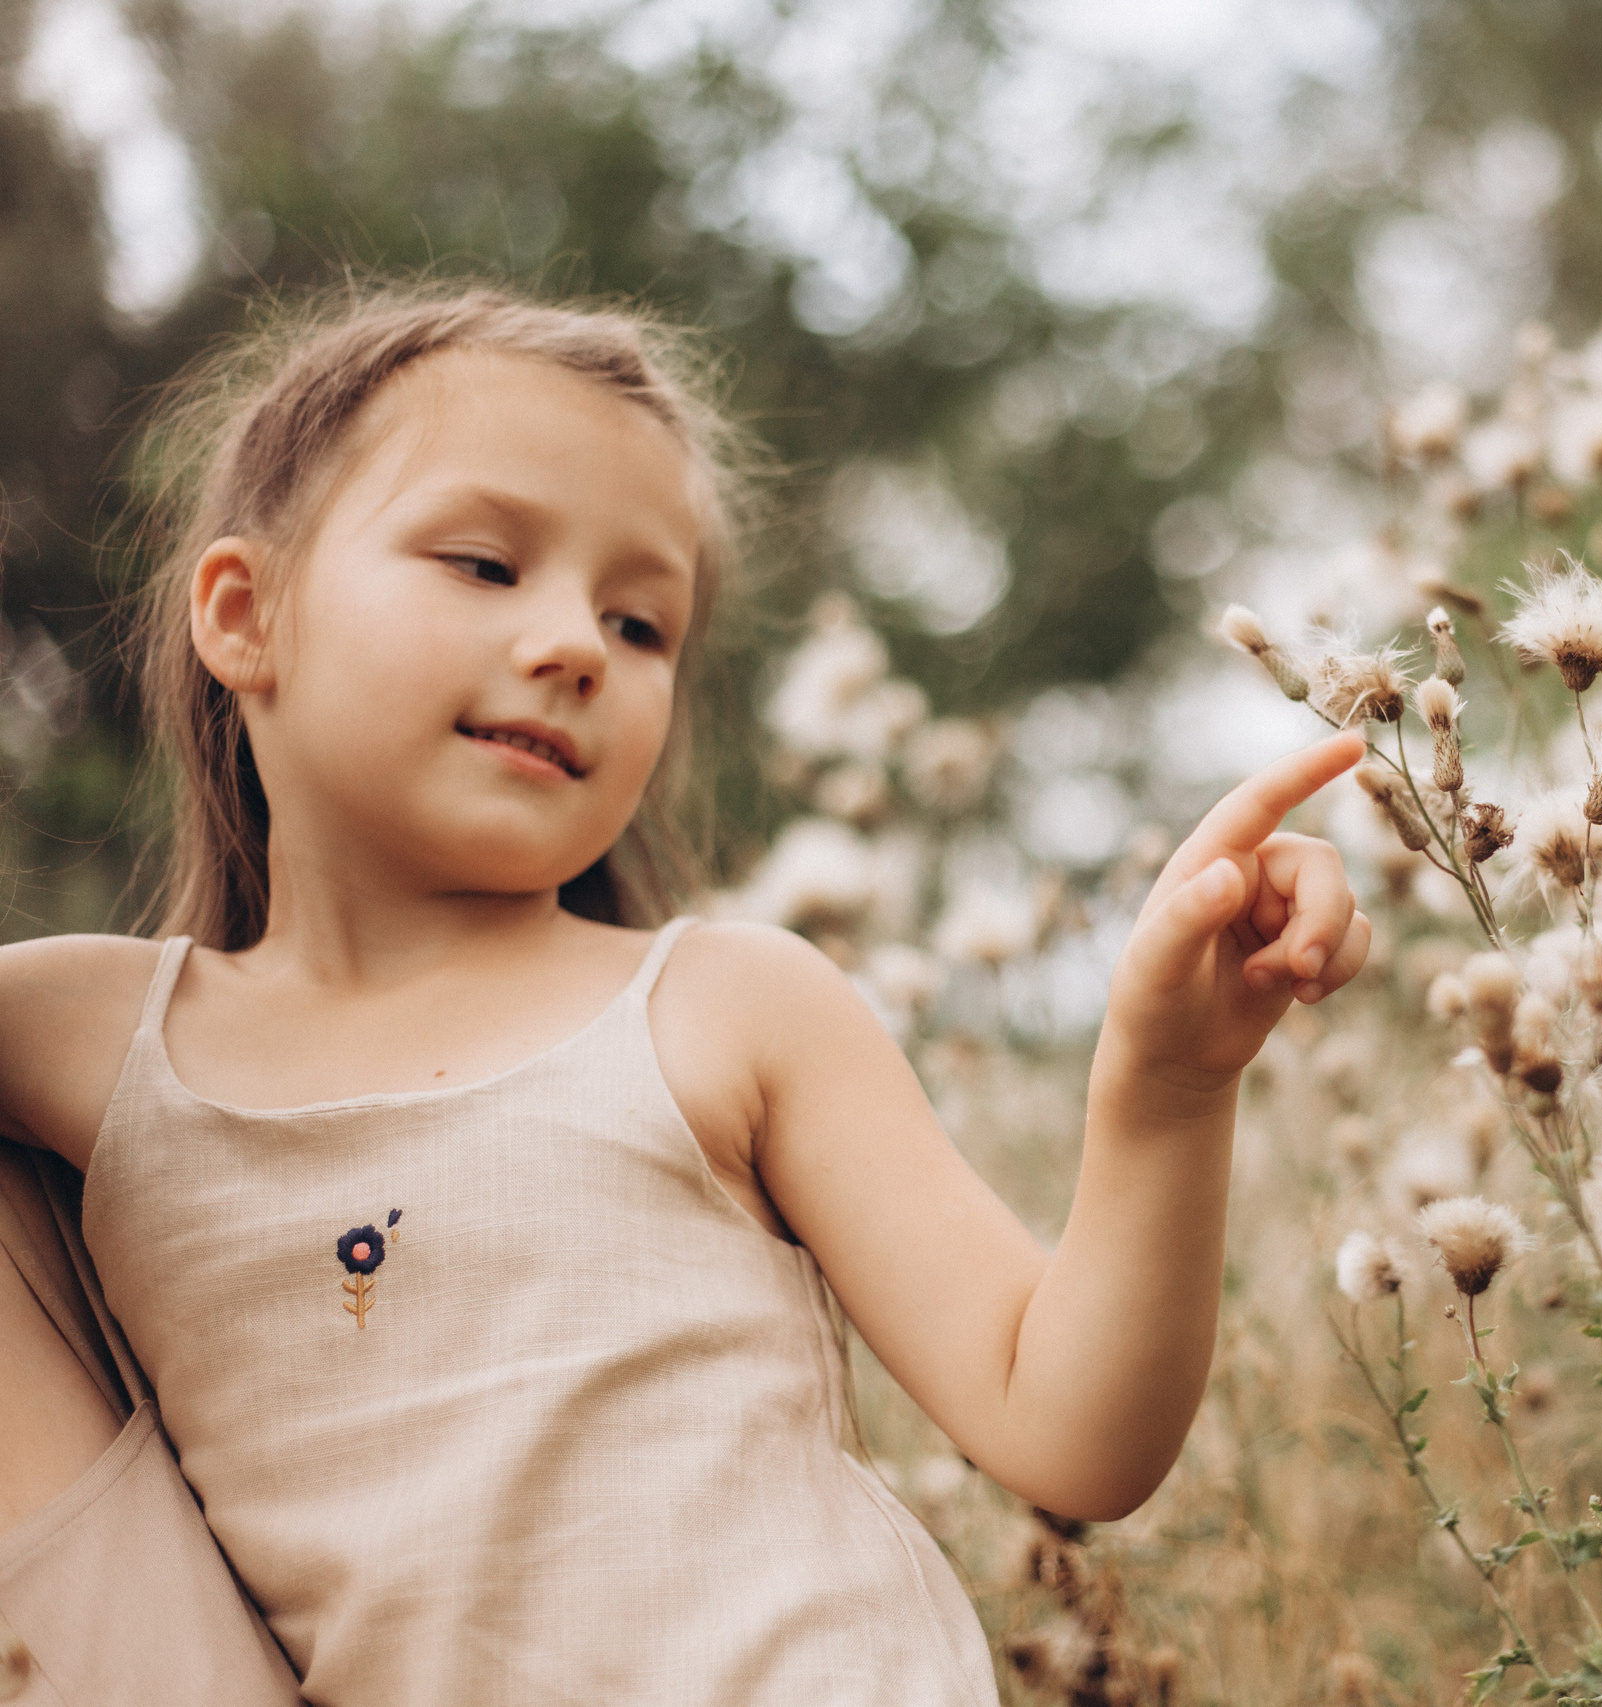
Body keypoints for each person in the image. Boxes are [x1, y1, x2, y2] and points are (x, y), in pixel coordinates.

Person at [0, 283, 1371, 1704]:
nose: (579, 643)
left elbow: (1072, 1431)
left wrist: (1170, 1086)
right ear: (246, 614)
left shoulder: (725, 1009)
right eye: (483, 563)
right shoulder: (94, 1040)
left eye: (643, 623)